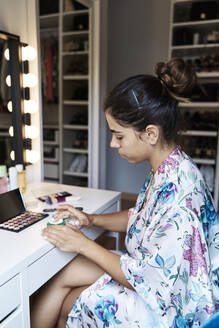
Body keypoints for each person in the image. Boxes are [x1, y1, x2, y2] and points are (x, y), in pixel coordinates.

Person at [31, 57, 219, 328]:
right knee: (64, 274)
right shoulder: (169, 168)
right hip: (152, 278)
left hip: (175, 311)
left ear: (150, 134)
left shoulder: (182, 193)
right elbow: (142, 218)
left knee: (72, 300)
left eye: (119, 136)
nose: (112, 143)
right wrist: (91, 221)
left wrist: (83, 243)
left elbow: (149, 281)